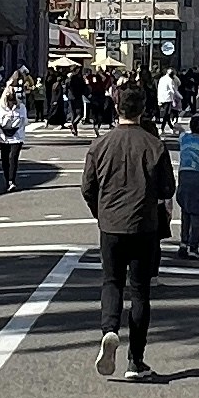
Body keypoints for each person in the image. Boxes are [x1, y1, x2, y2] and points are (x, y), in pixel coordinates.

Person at [82, 77, 175, 380]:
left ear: (116, 107)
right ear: (143, 110)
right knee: (140, 291)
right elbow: (166, 188)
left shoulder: (100, 145)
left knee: (111, 282)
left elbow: (88, 187)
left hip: (110, 223)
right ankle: (136, 360)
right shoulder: (154, 145)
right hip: (144, 225)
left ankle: (109, 329)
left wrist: (100, 212)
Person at [173, 107, 199, 257]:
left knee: (186, 211)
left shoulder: (184, 139)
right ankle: (193, 246)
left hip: (184, 177)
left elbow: (179, 130)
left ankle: (183, 242)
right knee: (197, 213)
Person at [0, 67, 32, 191]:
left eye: (13, 100)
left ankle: (11, 180)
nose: (12, 103)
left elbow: (25, 121)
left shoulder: (21, 108)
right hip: (4, 136)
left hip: (17, 136)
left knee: (13, 157)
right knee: (5, 160)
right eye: (10, 100)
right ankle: (7, 178)